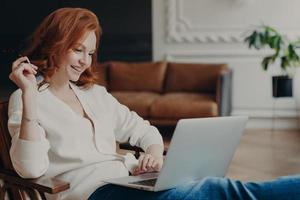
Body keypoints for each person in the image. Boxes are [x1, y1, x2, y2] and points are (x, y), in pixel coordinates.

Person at [7, 7, 300, 200]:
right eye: (78, 49)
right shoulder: (28, 99)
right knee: (218, 191)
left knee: (208, 189)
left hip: (129, 181)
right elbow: (30, 169)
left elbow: (144, 131)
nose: (85, 61)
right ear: (57, 46)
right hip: (93, 193)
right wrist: (30, 95)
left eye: (91, 52)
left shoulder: (93, 94)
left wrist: (155, 154)